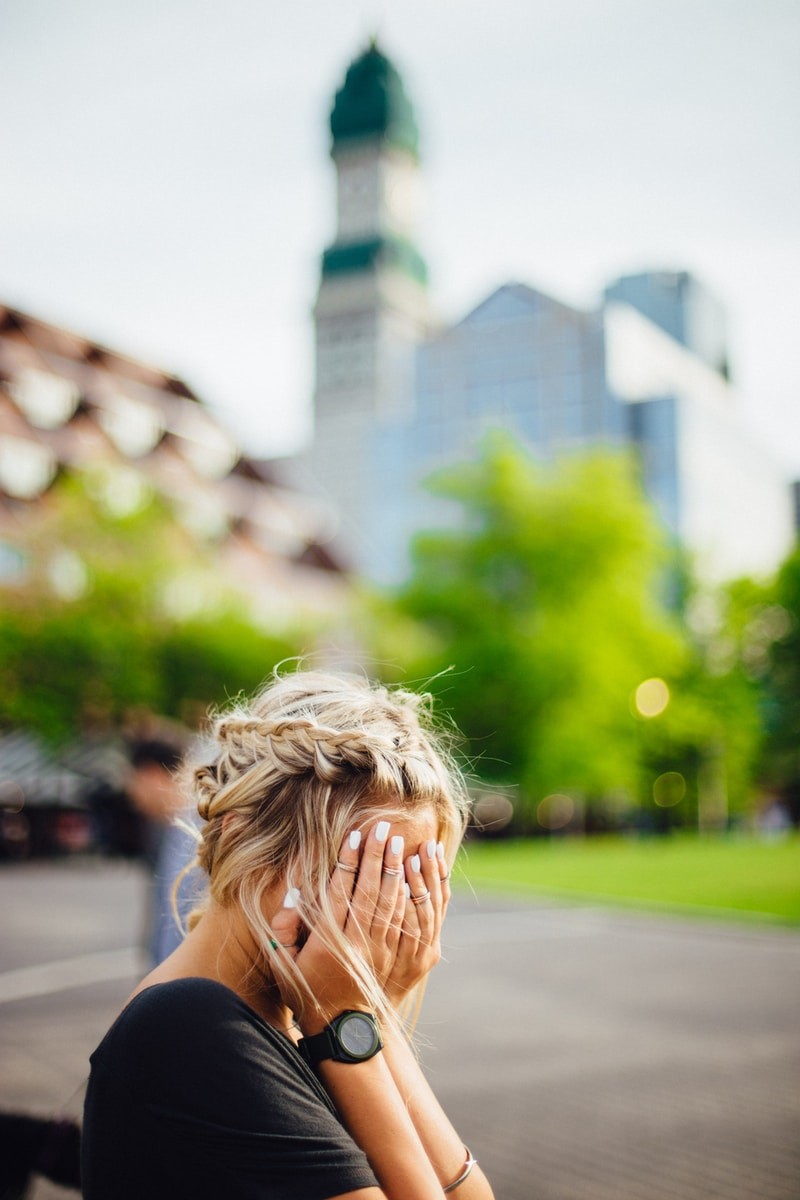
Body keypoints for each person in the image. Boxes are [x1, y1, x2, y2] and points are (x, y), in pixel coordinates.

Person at [82, 670, 494, 1200]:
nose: (389, 917)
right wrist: (346, 1028)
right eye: (363, 875)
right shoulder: (189, 1026)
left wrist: (372, 1018)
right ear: (245, 841)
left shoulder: (302, 1008)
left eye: (413, 881)